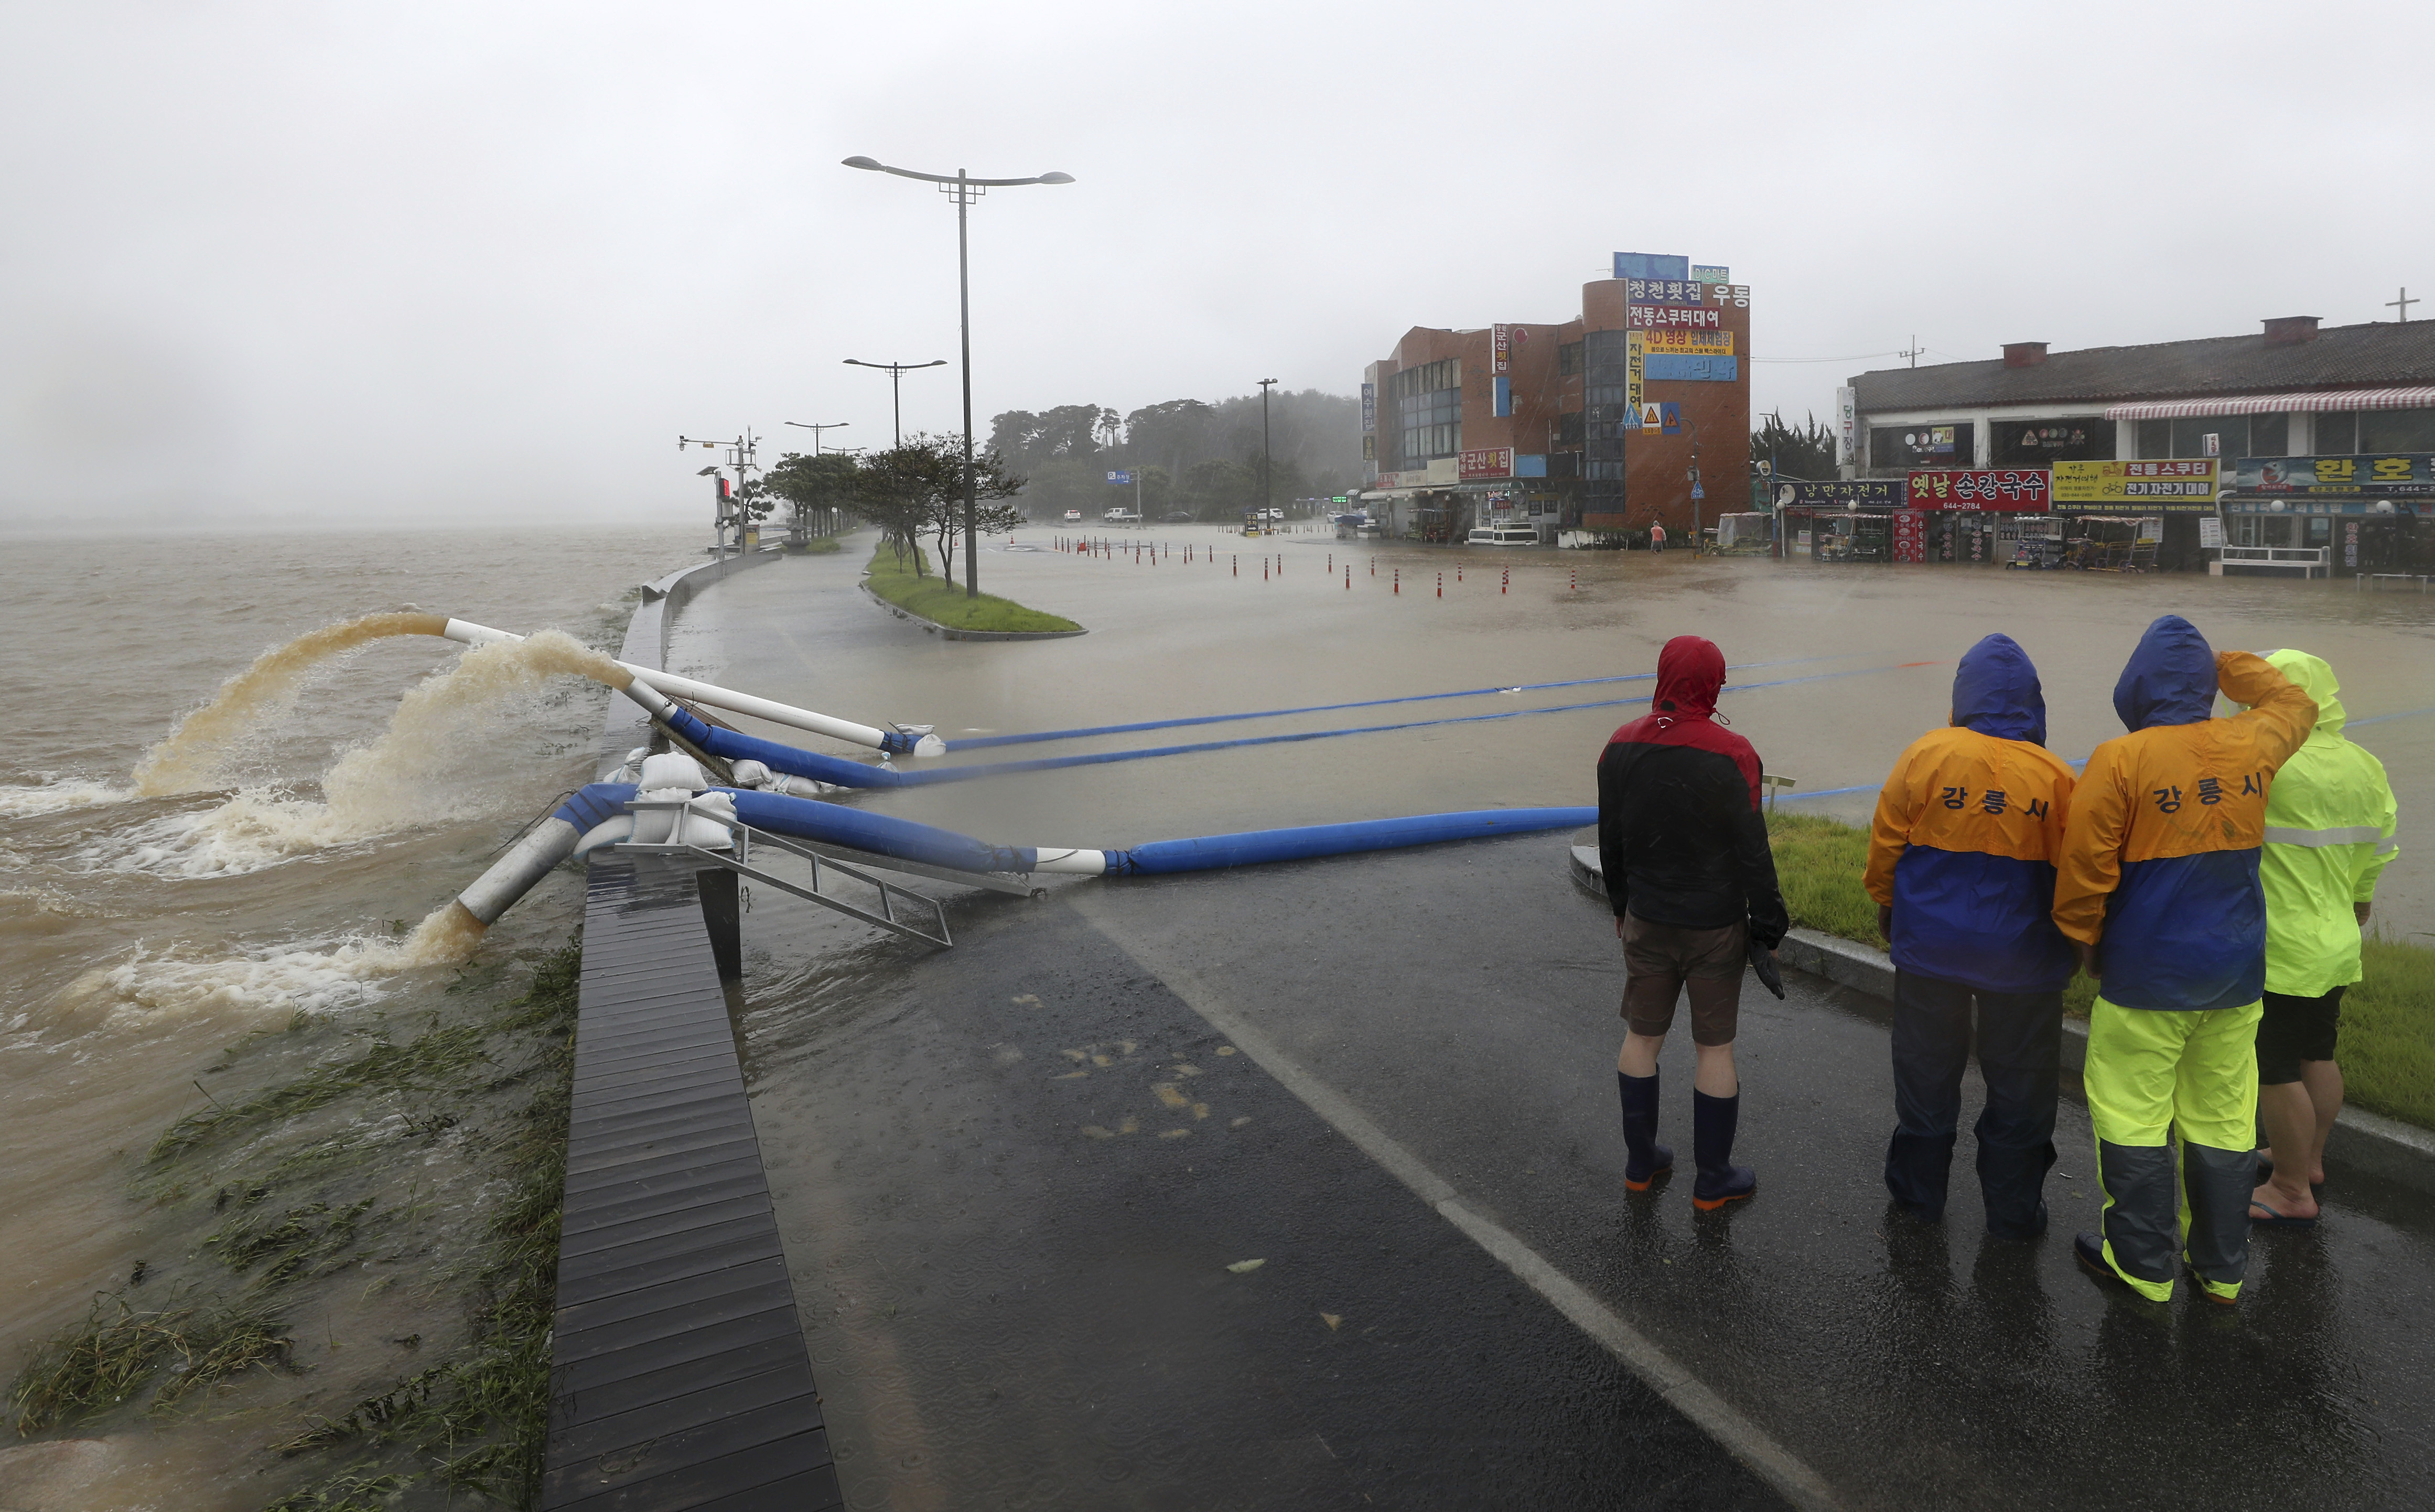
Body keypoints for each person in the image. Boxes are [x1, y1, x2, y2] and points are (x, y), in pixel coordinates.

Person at [2053, 615, 2314, 1305]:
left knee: (2134, 1117)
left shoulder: (2121, 760)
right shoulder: (2253, 743)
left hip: (2146, 976)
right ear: (2202, 684)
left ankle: (2141, 1265)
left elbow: (2084, 875)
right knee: (2225, 1120)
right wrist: (2220, 662)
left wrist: (2086, 947)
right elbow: (2296, 702)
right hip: (2235, 976)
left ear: (2134, 686)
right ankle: (2222, 1269)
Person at [1863, 635, 2077, 1238]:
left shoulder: (1924, 756)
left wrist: (1888, 906)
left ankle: (1918, 1199)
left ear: (1963, 697)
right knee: (2022, 1087)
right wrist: (2080, 942)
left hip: (1931, 953)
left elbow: (1886, 849)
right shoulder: (2060, 777)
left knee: (1926, 1074)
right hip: (2026, 963)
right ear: (2034, 703)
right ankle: (2013, 1212)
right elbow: (2078, 877)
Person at [1599, 635, 1788, 1210]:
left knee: (1642, 1037)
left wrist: (1620, 906)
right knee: (1714, 1049)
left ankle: (1641, 1163)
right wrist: (1768, 928)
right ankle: (1714, 1179)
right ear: (1713, 685)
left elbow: (1612, 839)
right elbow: (1754, 851)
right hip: (1714, 926)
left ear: (1663, 677)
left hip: (1648, 917)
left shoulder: (1619, 745)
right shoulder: (1734, 753)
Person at [2244, 650, 2400, 1227]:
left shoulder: (2269, 759)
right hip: (2337, 938)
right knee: (2319, 1052)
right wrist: (2358, 899)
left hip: (2279, 948)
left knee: (2273, 1068)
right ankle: (2307, 1161)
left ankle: (2288, 1188)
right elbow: (2381, 848)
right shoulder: (2366, 763)